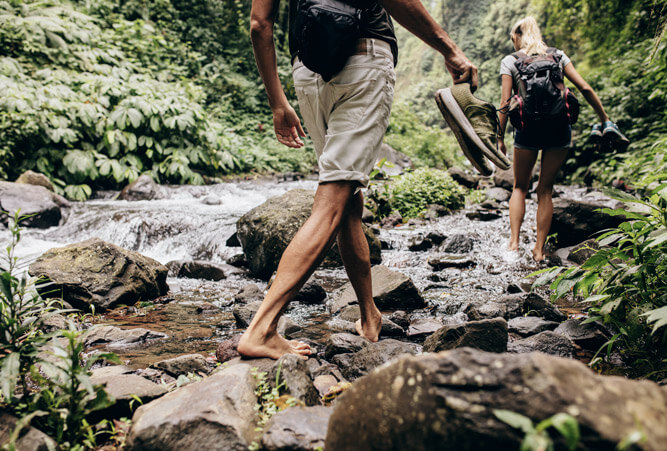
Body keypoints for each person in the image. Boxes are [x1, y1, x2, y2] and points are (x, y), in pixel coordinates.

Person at [238, 0, 478, 359]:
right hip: (362, 58)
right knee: (333, 200)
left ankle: (369, 316)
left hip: (307, 69)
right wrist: (450, 50)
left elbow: (260, 24)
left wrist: (277, 102)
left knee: (348, 201)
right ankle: (262, 328)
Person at [497, 16, 618, 262]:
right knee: (545, 190)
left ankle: (513, 245)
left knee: (520, 187)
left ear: (517, 37)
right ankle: (539, 251)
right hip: (559, 129)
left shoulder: (510, 61)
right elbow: (585, 88)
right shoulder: (558, 57)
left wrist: (499, 138)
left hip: (527, 129)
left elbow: (505, 104)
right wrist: (605, 119)